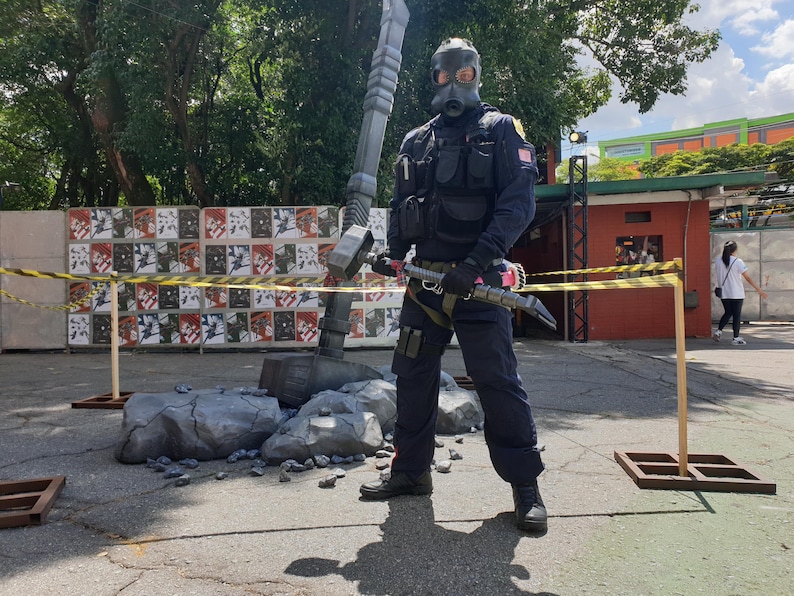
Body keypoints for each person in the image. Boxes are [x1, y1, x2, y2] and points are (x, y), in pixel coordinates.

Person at [358, 38, 547, 532]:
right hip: (425, 284)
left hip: (478, 280)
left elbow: (517, 206)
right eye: (446, 74)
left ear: (476, 75)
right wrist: (394, 257)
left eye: (465, 74)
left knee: (498, 381)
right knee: (413, 378)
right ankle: (410, 473)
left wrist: (478, 261)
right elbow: (403, 206)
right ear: (435, 78)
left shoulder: (501, 130)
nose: (455, 81)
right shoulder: (415, 140)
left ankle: (526, 488)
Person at [713, 240, 768, 345]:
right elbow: (747, 278)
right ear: (735, 250)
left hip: (724, 293)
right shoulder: (737, 262)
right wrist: (759, 290)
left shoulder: (718, 261)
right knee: (736, 315)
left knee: (728, 312)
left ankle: (718, 331)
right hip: (736, 293)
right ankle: (736, 338)